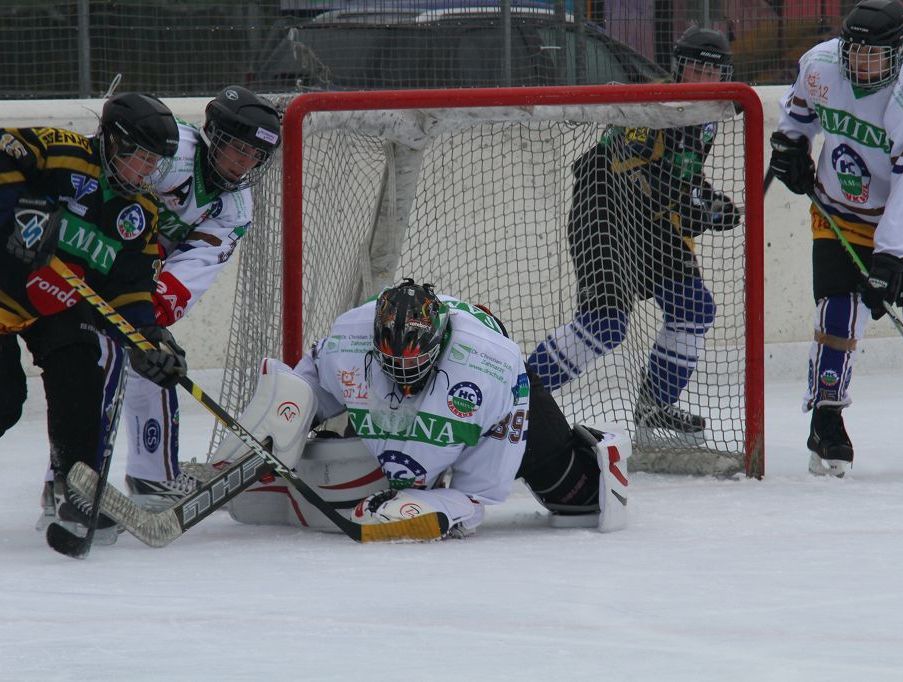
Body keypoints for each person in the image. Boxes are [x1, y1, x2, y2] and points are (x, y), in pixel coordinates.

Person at [212, 279, 630, 538]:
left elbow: (480, 493)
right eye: (392, 364)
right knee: (305, 408)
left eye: (413, 365)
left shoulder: (491, 369)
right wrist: (274, 429)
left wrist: (440, 508)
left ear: (438, 348)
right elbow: (307, 388)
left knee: (576, 497)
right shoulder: (349, 338)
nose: (403, 377)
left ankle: (579, 460)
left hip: (500, 391)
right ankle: (273, 480)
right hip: (413, 398)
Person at [525, 26, 741, 439]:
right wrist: (701, 211)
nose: (701, 81)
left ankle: (654, 406)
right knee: (605, 325)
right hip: (605, 210)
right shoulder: (653, 105)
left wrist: (710, 201)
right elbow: (643, 177)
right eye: (693, 69)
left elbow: (681, 176)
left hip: (653, 223)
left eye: (710, 73)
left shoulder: (708, 116)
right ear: (678, 69)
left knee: (694, 308)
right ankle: (509, 403)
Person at [0, 92, 187, 541]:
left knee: (82, 364)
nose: (146, 172)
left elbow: (129, 289)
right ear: (113, 143)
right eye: (140, 158)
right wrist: (17, 215)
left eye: (154, 163)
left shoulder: (140, 215)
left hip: (47, 302)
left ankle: (73, 488)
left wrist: (148, 338)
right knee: (4, 401)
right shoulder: (63, 153)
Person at [115, 86, 281, 511]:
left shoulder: (235, 207)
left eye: (255, 156)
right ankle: (64, 482)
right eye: (238, 149)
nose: (245, 163)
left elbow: (190, 273)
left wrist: (147, 317)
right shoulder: (169, 153)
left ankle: (152, 479)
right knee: (89, 368)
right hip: (96, 263)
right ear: (214, 135)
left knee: (154, 363)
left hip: (134, 292)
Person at [768, 0, 903, 477]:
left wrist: (891, 258)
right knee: (838, 310)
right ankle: (826, 420)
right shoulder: (822, 64)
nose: (860, 62)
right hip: (838, 212)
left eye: (874, 54)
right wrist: (790, 147)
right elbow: (799, 117)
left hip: (898, 217)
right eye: (855, 51)